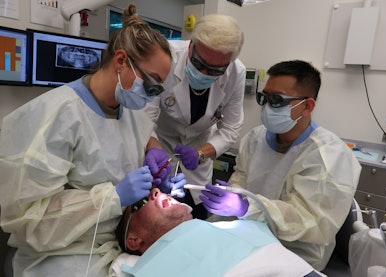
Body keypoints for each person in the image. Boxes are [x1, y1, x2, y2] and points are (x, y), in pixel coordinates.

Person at [0, 4, 180, 277]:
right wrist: (112, 197)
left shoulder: (132, 111)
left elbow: (137, 138)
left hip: (111, 246)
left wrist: (154, 158)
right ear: (121, 61)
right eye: (151, 84)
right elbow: (27, 220)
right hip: (59, 253)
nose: (152, 96)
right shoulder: (55, 116)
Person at [199, 60, 362, 271]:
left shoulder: (330, 155)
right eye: (264, 98)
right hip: (247, 235)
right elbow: (241, 179)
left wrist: (247, 207)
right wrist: (227, 196)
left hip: (295, 253)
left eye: (276, 100)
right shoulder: (255, 138)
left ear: (307, 106)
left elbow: (310, 222)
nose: (266, 107)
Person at [143, 14, 246, 218]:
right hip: (158, 149)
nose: (205, 73)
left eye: (215, 70)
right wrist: (153, 148)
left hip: (198, 162)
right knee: (154, 219)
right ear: (191, 45)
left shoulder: (236, 73)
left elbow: (231, 127)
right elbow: (144, 117)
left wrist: (201, 153)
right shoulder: (165, 57)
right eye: (199, 64)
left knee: (195, 218)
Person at [109, 187, 324, 277]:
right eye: (141, 202)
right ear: (134, 240)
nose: (156, 191)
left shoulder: (230, 226)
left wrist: (245, 208)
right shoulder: (143, 267)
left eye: (155, 189)